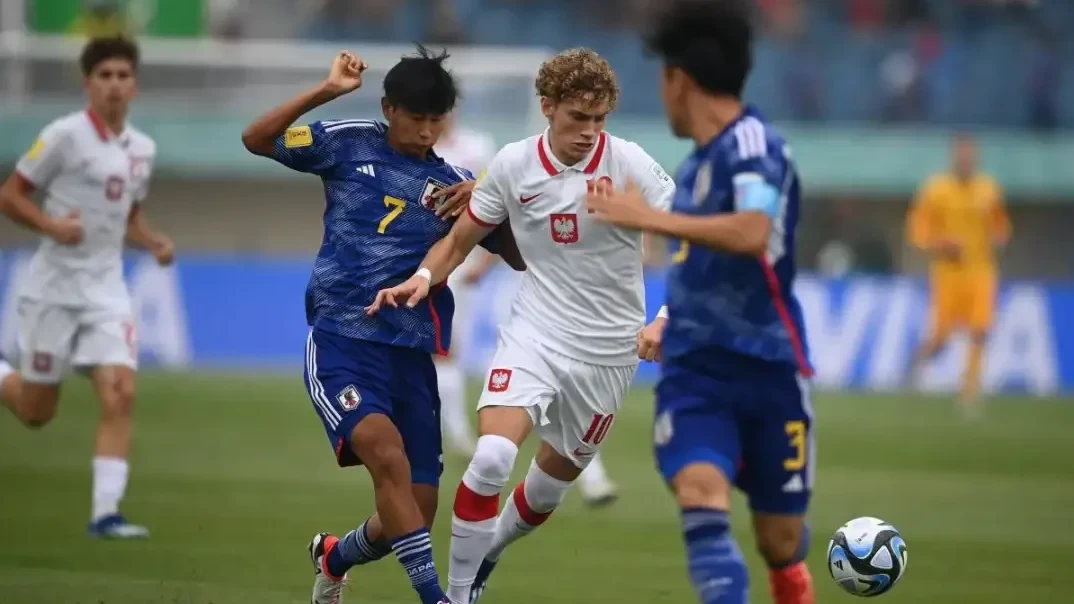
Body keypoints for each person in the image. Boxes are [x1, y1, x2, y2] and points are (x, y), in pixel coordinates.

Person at [367, 47, 674, 604]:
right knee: (491, 457)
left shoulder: (630, 164)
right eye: (577, 118)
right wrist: (423, 277)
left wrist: (667, 316)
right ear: (547, 107)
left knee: (543, 496)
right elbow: (459, 239)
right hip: (536, 332)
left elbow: (693, 238)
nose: (589, 132)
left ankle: (490, 551)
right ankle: (457, 596)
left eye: (599, 119)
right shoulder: (513, 164)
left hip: (609, 354)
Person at [241, 45, 523, 604]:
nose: (426, 131)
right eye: (416, 118)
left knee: (415, 509)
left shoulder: (454, 185)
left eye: (436, 120)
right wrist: (325, 91)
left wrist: (499, 198)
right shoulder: (346, 140)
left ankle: (334, 556)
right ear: (389, 108)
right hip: (343, 337)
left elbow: (517, 257)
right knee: (385, 454)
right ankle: (435, 597)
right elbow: (257, 139)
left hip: (412, 352)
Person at [586, 1, 816, 602]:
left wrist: (649, 217)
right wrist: (667, 317)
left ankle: (790, 572)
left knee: (779, 541)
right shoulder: (696, 169)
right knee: (700, 491)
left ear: (678, 80)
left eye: (662, 79)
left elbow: (751, 232)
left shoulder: (756, 147)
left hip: (768, 366)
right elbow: (698, 265)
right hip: (697, 369)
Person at [0, 36, 173, 540]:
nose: (115, 85)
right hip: (52, 289)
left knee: (120, 392)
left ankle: (106, 515)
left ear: (134, 85)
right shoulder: (63, 136)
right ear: (88, 83)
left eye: (123, 76)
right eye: (105, 76)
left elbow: (128, 216)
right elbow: (10, 195)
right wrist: (52, 227)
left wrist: (152, 241)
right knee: (36, 412)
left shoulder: (143, 148)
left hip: (106, 289)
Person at [906, 133, 1010, 412]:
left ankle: (970, 390)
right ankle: (917, 362)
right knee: (942, 334)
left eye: (970, 157)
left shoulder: (989, 189)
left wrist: (1000, 237)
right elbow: (918, 230)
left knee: (980, 328)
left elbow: (1000, 224)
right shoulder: (936, 189)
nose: (966, 162)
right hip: (947, 273)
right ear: (953, 158)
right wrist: (940, 243)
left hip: (981, 270)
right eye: (961, 157)